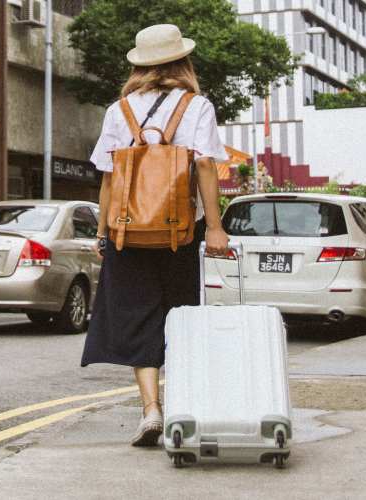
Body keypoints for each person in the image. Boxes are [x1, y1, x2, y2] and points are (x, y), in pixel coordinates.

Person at [80, 24, 230, 446]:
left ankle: (150, 409)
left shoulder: (119, 110)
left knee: (135, 315)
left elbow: (109, 177)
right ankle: (180, 404)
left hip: (128, 231)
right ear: (182, 62)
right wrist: (215, 228)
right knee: (178, 316)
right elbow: (204, 167)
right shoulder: (197, 106)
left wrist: (103, 232)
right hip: (178, 231)